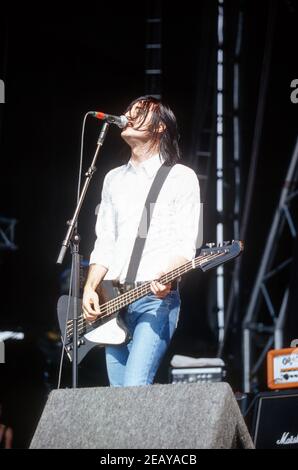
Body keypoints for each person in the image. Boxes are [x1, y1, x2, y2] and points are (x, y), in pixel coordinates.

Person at [82, 95, 200, 386]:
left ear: (160, 128)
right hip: (113, 299)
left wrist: (168, 275)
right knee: (119, 398)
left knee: (135, 388)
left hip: (155, 300)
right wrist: (89, 287)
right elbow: (105, 240)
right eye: (127, 110)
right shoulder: (113, 179)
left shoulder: (181, 177)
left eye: (138, 112)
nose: (127, 115)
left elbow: (186, 244)